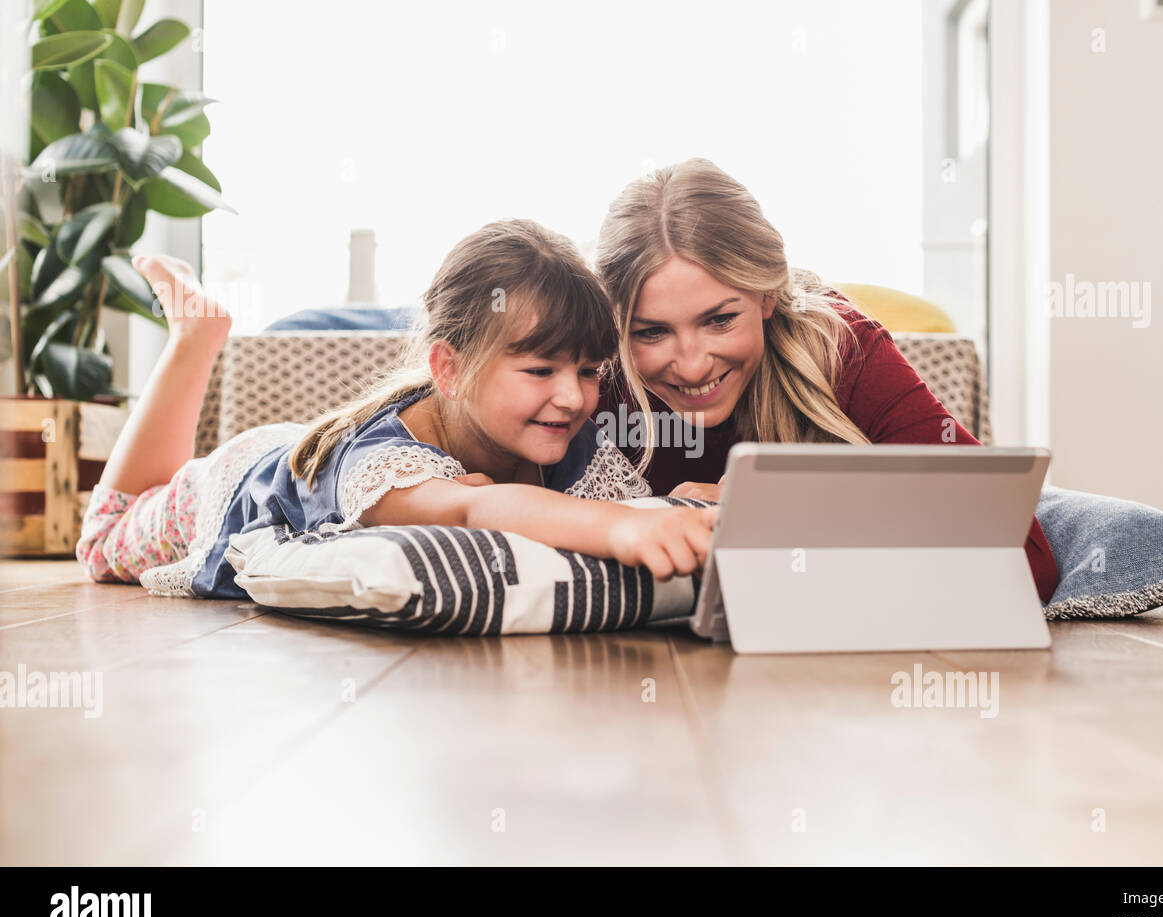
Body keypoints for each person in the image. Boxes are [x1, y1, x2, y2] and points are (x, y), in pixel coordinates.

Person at [76, 220, 716, 597]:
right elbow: (476, 506)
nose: (573, 396)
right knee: (103, 537)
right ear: (450, 368)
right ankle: (197, 336)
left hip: (309, 444)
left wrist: (686, 508)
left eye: (586, 371)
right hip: (234, 485)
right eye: (541, 370)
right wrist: (621, 528)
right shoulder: (387, 471)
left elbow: (627, 507)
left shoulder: (563, 431)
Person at [593, 158, 1058, 602]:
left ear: (767, 296)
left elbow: (1025, 561)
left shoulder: (840, 347)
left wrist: (771, 509)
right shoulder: (589, 376)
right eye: (651, 332)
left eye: (719, 320)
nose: (692, 367)